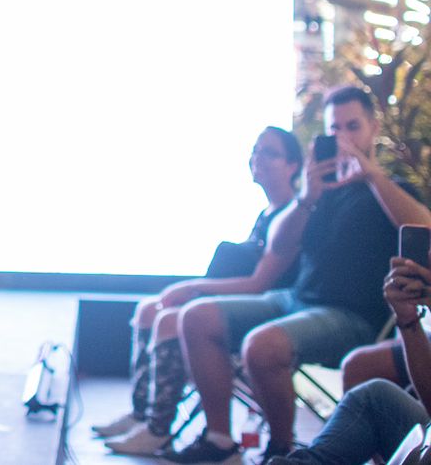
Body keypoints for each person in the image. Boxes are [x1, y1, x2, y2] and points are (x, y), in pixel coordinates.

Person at [166, 87, 431, 463]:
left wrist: (372, 176)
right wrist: (307, 195)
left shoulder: (392, 190)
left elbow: (425, 226)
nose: (343, 137)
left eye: (352, 126)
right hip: (296, 299)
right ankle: (219, 440)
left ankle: (280, 446)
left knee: (262, 345)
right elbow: (278, 247)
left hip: (350, 315)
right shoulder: (319, 194)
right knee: (197, 316)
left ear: (374, 128)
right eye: (334, 129)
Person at [94, 126, 302, 455]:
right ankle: (142, 414)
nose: (258, 158)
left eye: (270, 153)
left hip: (264, 311)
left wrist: (194, 287)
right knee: (149, 310)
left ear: (293, 166)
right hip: (236, 303)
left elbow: (259, 284)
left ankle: (160, 429)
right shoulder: (265, 214)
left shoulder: (293, 216)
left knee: (169, 320)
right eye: (256, 150)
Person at [261, 257, 431, 465]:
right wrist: (408, 320)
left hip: (349, 312)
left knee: (266, 346)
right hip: (300, 297)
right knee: (374, 396)